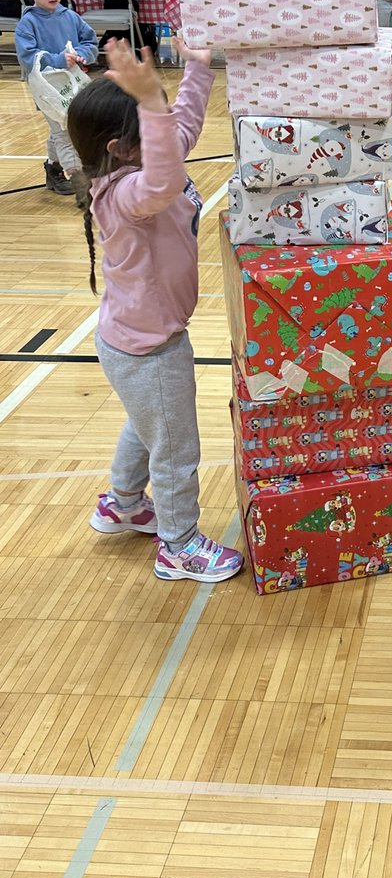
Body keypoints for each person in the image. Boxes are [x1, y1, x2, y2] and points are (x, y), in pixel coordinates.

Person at [66, 39, 243, 584]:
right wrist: (147, 101)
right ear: (122, 148)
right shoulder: (127, 196)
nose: (166, 126)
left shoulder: (141, 160)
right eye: (152, 120)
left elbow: (179, 132)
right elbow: (166, 174)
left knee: (148, 426)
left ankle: (122, 504)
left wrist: (197, 68)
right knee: (174, 448)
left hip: (132, 338)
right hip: (149, 348)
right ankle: (179, 545)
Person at [14, 0, 96, 206]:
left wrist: (81, 54)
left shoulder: (70, 16)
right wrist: (58, 59)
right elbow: (28, 58)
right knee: (64, 132)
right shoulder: (28, 23)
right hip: (47, 89)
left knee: (61, 127)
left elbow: (90, 41)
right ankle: (80, 182)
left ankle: (53, 167)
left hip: (73, 84)